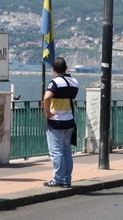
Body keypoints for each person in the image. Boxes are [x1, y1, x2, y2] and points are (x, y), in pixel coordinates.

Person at [43, 57, 79, 187]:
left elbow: (47, 97)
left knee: (56, 152)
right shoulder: (74, 82)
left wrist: (47, 113)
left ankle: (57, 179)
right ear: (66, 68)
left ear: (53, 69)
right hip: (69, 121)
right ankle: (66, 179)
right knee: (66, 151)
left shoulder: (55, 82)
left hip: (56, 121)